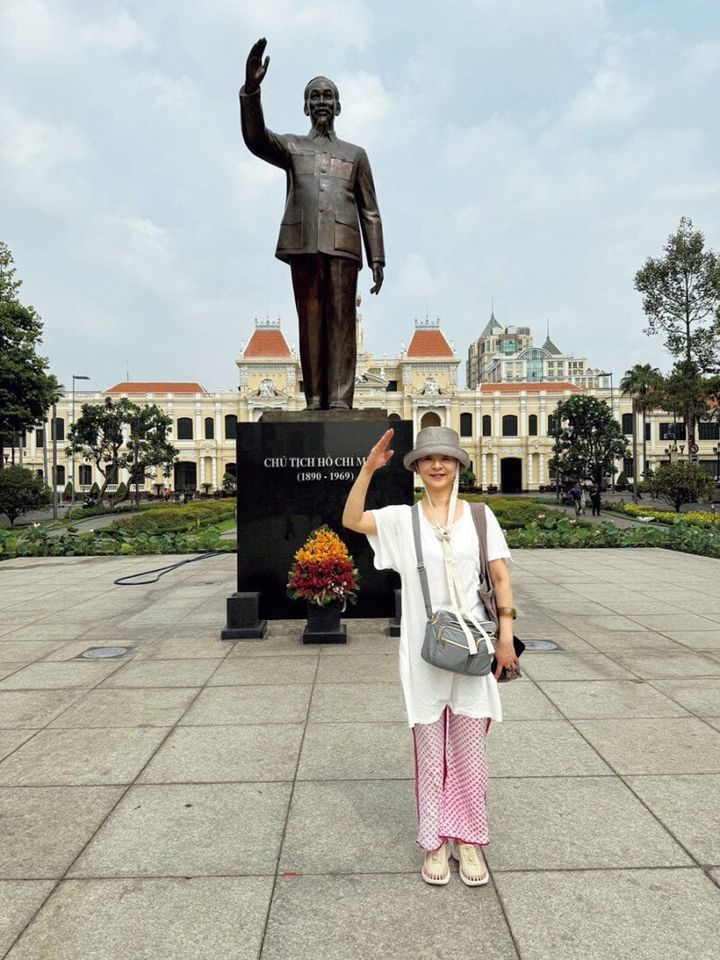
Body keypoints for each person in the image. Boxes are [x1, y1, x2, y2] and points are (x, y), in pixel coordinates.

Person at [342, 426, 519, 887]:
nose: (437, 465)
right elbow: (352, 519)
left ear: (458, 465)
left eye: (446, 458)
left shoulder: (480, 517)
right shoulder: (403, 520)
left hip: (474, 649)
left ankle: (468, 839)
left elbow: (501, 578)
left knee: (470, 750)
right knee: (429, 750)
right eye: (428, 458)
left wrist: (506, 637)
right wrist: (368, 469)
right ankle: (435, 841)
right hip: (424, 651)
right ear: (417, 468)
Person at [240, 38, 385, 411]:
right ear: (306, 106)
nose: (322, 101)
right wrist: (251, 90)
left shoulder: (355, 154)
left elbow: (370, 209)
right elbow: (256, 139)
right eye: (315, 96)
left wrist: (377, 258)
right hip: (303, 243)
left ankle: (339, 401)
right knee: (310, 321)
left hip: (344, 245)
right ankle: (316, 398)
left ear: (338, 106)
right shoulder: (291, 147)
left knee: (342, 324)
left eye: (328, 96)